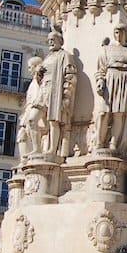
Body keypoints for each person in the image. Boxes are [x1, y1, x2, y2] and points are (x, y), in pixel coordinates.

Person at [94, 24, 127, 154]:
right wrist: (100, 81)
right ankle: (99, 141)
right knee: (104, 113)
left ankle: (114, 142)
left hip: (125, 80)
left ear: (126, 34)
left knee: (119, 114)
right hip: (110, 79)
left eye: (121, 32)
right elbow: (101, 68)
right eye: (116, 32)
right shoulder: (106, 50)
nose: (119, 35)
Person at [40, 26, 76, 158]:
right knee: (40, 120)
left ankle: (52, 149)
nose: (50, 42)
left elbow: (70, 76)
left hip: (55, 92)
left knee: (53, 120)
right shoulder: (48, 57)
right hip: (44, 91)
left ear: (60, 41)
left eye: (53, 39)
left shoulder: (65, 56)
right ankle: (42, 147)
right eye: (49, 40)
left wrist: (66, 95)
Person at [19, 56, 48, 158]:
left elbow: (44, 91)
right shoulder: (32, 83)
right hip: (30, 108)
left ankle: (37, 149)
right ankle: (24, 160)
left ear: (35, 66)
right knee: (21, 135)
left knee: (32, 121)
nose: (28, 69)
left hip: (39, 105)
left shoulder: (41, 77)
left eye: (30, 67)